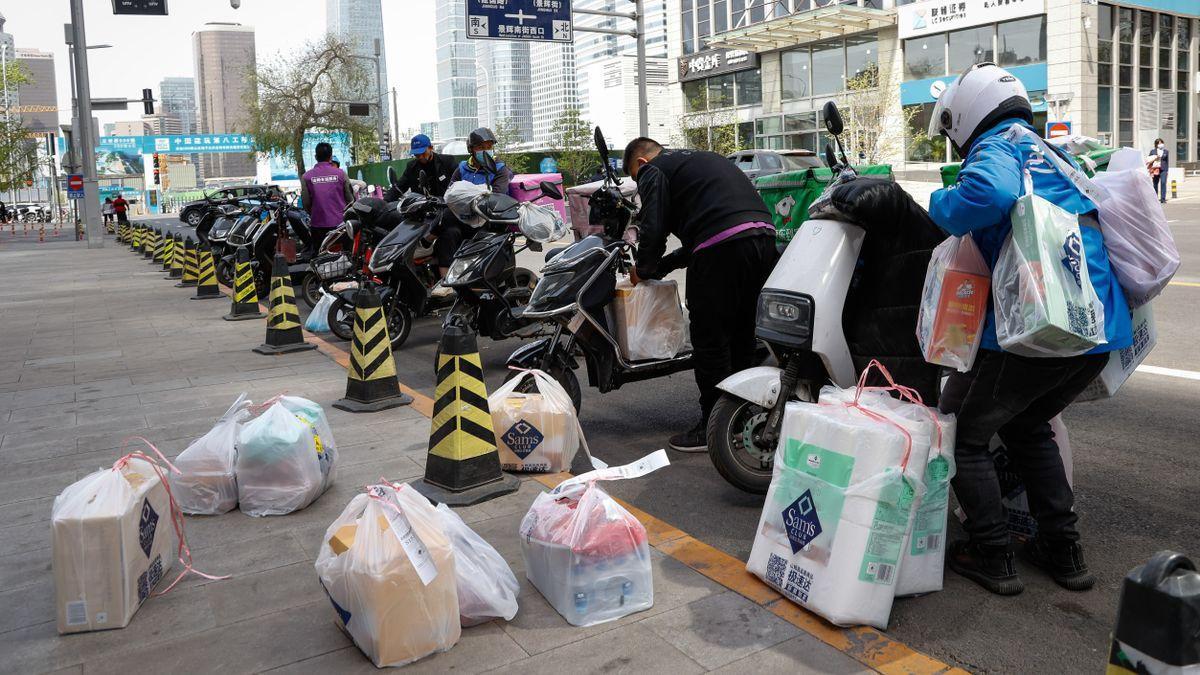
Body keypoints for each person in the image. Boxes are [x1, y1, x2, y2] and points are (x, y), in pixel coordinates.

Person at [927, 62, 1133, 596]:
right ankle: (1064, 552)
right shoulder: (1050, 152)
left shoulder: (997, 147)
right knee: (1026, 426)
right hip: (1094, 327)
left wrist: (937, 206)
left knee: (959, 431)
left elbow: (986, 196)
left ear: (968, 113)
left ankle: (991, 552)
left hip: (1037, 327)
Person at [623, 138, 780, 452]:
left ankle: (713, 425)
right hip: (763, 239)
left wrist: (645, 267)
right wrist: (661, 267)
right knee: (741, 335)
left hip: (722, 248)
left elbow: (654, 228)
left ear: (641, 163)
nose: (641, 185)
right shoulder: (700, 159)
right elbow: (706, 235)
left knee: (710, 339)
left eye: (636, 180)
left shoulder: (653, 170)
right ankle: (743, 417)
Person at [301, 142, 355, 247]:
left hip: (318, 224)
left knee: (319, 257)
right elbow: (350, 199)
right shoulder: (341, 174)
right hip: (340, 225)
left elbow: (306, 202)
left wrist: (314, 214)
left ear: (316, 157)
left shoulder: (306, 177)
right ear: (330, 157)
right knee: (344, 257)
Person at [386, 134, 456, 200]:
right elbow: (399, 187)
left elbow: (460, 183)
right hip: (421, 209)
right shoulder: (411, 167)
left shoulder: (447, 162)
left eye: (423, 153)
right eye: (417, 154)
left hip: (445, 206)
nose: (421, 157)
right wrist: (384, 202)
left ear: (431, 148)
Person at [1147, 138, 1169, 204]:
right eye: (1159, 143)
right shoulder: (1152, 151)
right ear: (1156, 144)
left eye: (1161, 143)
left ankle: (1163, 198)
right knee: (1155, 183)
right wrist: (1155, 158)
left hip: (1163, 169)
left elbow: (1167, 161)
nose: (1160, 144)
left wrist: (1167, 170)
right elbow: (1149, 160)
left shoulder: (1166, 151)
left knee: (1163, 182)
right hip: (1155, 169)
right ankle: (1155, 198)